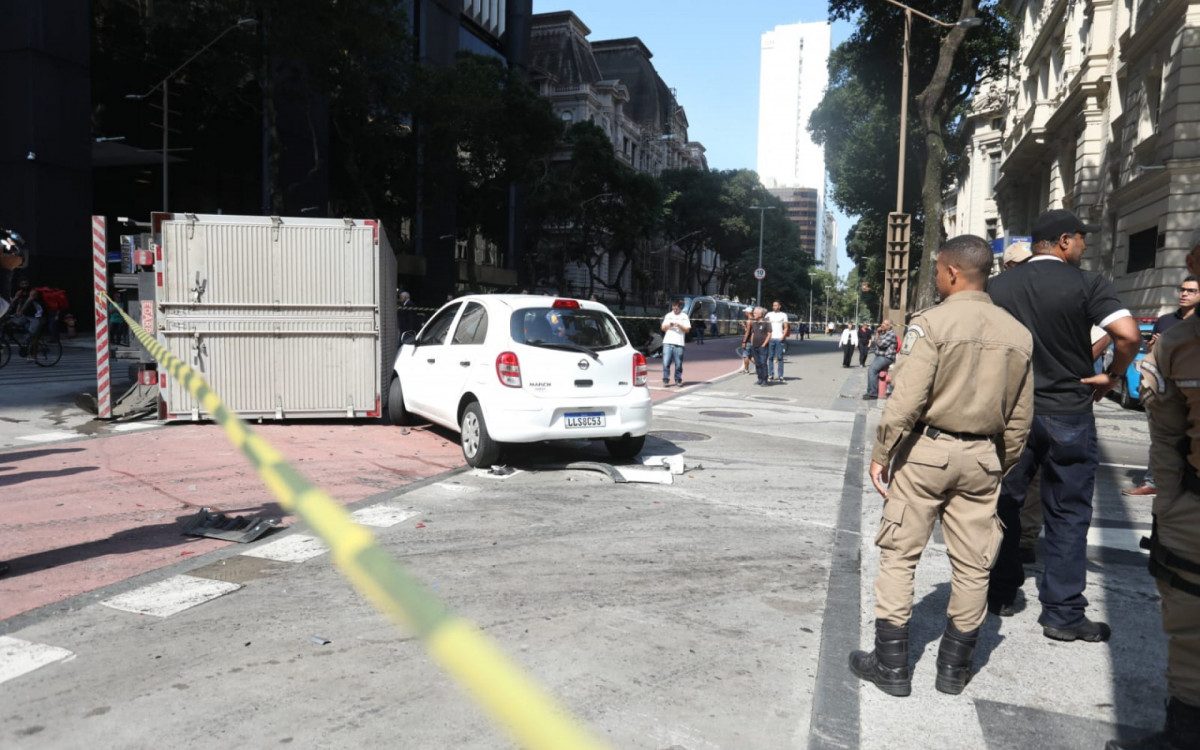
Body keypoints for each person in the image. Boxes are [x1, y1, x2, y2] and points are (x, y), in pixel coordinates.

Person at [851, 235, 1034, 697]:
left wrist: (881, 454)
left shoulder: (930, 323)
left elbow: (905, 402)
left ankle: (891, 667)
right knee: (974, 565)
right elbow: (1020, 418)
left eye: (936, 270)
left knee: (900, 554)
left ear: (952, 272)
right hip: (983, 457)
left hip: (926, 453)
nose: (935, 277)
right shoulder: (1017, 333)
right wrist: (1000, 463)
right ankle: (954, 670)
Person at [986, 208, 1140, 641]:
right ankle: (1063, 613)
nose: (1084, 246)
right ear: (1064, 241)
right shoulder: (1088, 283)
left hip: (1013, 410)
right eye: (1081, 239)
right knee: (1068, 513)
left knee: (1005, 504)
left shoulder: (998, 287)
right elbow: (1128, 334)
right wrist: (1112, 375)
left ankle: (1001, 592)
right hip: (1069, 410)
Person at [1106, 235, 1200, 750]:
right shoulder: (1177, 343)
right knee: (1188, 628)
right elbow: (1165, 433)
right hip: (1194, 503)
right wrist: (1173, 501)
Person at [1123, 273, 1199, 497]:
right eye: (1182, 289)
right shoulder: (1166, 320)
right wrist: (1153, 347)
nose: (1184, 294)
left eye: (1190, 291)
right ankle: (1152, 482)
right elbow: (1151, 355)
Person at [863, 320, 898, 400]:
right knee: (873, 370)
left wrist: (877, 336)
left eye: (885, 324)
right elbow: (877, 342)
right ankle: (872, 391)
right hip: (880, 356)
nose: (882, 325)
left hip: (886, 357)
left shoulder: (891, 334)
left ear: (890, 326)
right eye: (882, 324)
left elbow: (881, 344)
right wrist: (878, 333)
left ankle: (872, 393)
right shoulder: (884, 332)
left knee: (872, 370)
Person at [660, 299, 690, 386]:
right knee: (666, 362)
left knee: (678, 364)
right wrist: (669, 325)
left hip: (679, 343)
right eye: (673, 309)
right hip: (667, 342)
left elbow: (687, 330)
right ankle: (666, 379)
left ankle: (678, 379)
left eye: (676, 309)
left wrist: (679, 325)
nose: (675, 310)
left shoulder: (684, 316)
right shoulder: (668, 315)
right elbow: (662, 328)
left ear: (680, 307)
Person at [743, 306, 772, 386]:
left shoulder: (766, 322)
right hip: (754, 346)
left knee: (763, 363)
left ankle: (765, 380)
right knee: (758, 364)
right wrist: (752, 344)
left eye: (755, 313)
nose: (753, 314)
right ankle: (760, 378)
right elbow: (752, 333)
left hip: (762, 347)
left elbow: (769, 334)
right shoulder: (755, 322)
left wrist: (764, 345)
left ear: (760, 314)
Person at [765, 300, 790, 381]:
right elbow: (764, 324)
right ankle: (770, 375)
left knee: (780, 358)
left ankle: (780, 376)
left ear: (779, 306)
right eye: (773, 305)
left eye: (776, 305)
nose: (774, 307)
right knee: (770, 357)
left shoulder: (783, 315)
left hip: (779, 338)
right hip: (771, 338)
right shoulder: (769, 314)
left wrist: (783, 336)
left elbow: (786, 327)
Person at [740, 308, 755, 374]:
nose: (744, 313)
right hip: (754, 340)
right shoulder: (755, 319)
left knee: (746, 355)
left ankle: (746, 370)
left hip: (748, 340)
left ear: (748, 312)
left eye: (745, 312)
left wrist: (744, 341)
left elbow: (748, 332)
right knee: (750, 355)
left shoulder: (749, 320)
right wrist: (745, 326)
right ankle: (760, 366)